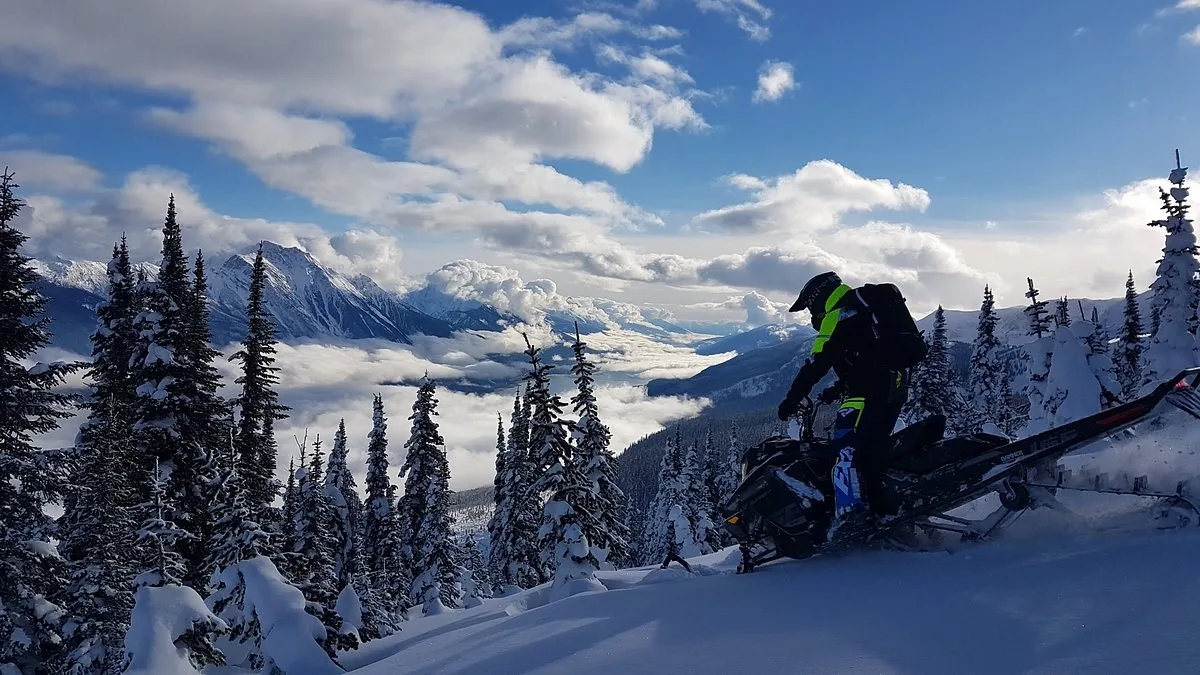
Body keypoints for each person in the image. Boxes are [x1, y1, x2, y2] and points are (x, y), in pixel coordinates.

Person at [776, 271, 920, 545]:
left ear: (819, 297)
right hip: (894, 389)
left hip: (867, 394)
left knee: (844, 451)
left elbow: (815, 364)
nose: (810, 316)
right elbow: (867, 357)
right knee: (873, 453)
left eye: (809, 307)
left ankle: (851, 518)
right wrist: (839, 388)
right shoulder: (861, 310)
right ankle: (883, 509)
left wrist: (791, 400)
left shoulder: (838, 315)